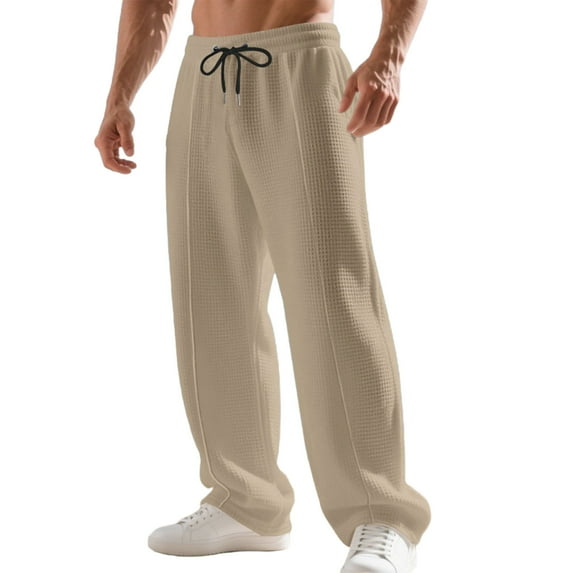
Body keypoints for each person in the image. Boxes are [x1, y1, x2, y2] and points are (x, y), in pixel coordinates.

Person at [94, 1, 430, 571]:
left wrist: (390, 54)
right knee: (210, 299)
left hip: (301, 65)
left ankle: (382, 513)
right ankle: (246, 502)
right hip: (202, 73)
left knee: (334, 298)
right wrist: (119, 94)